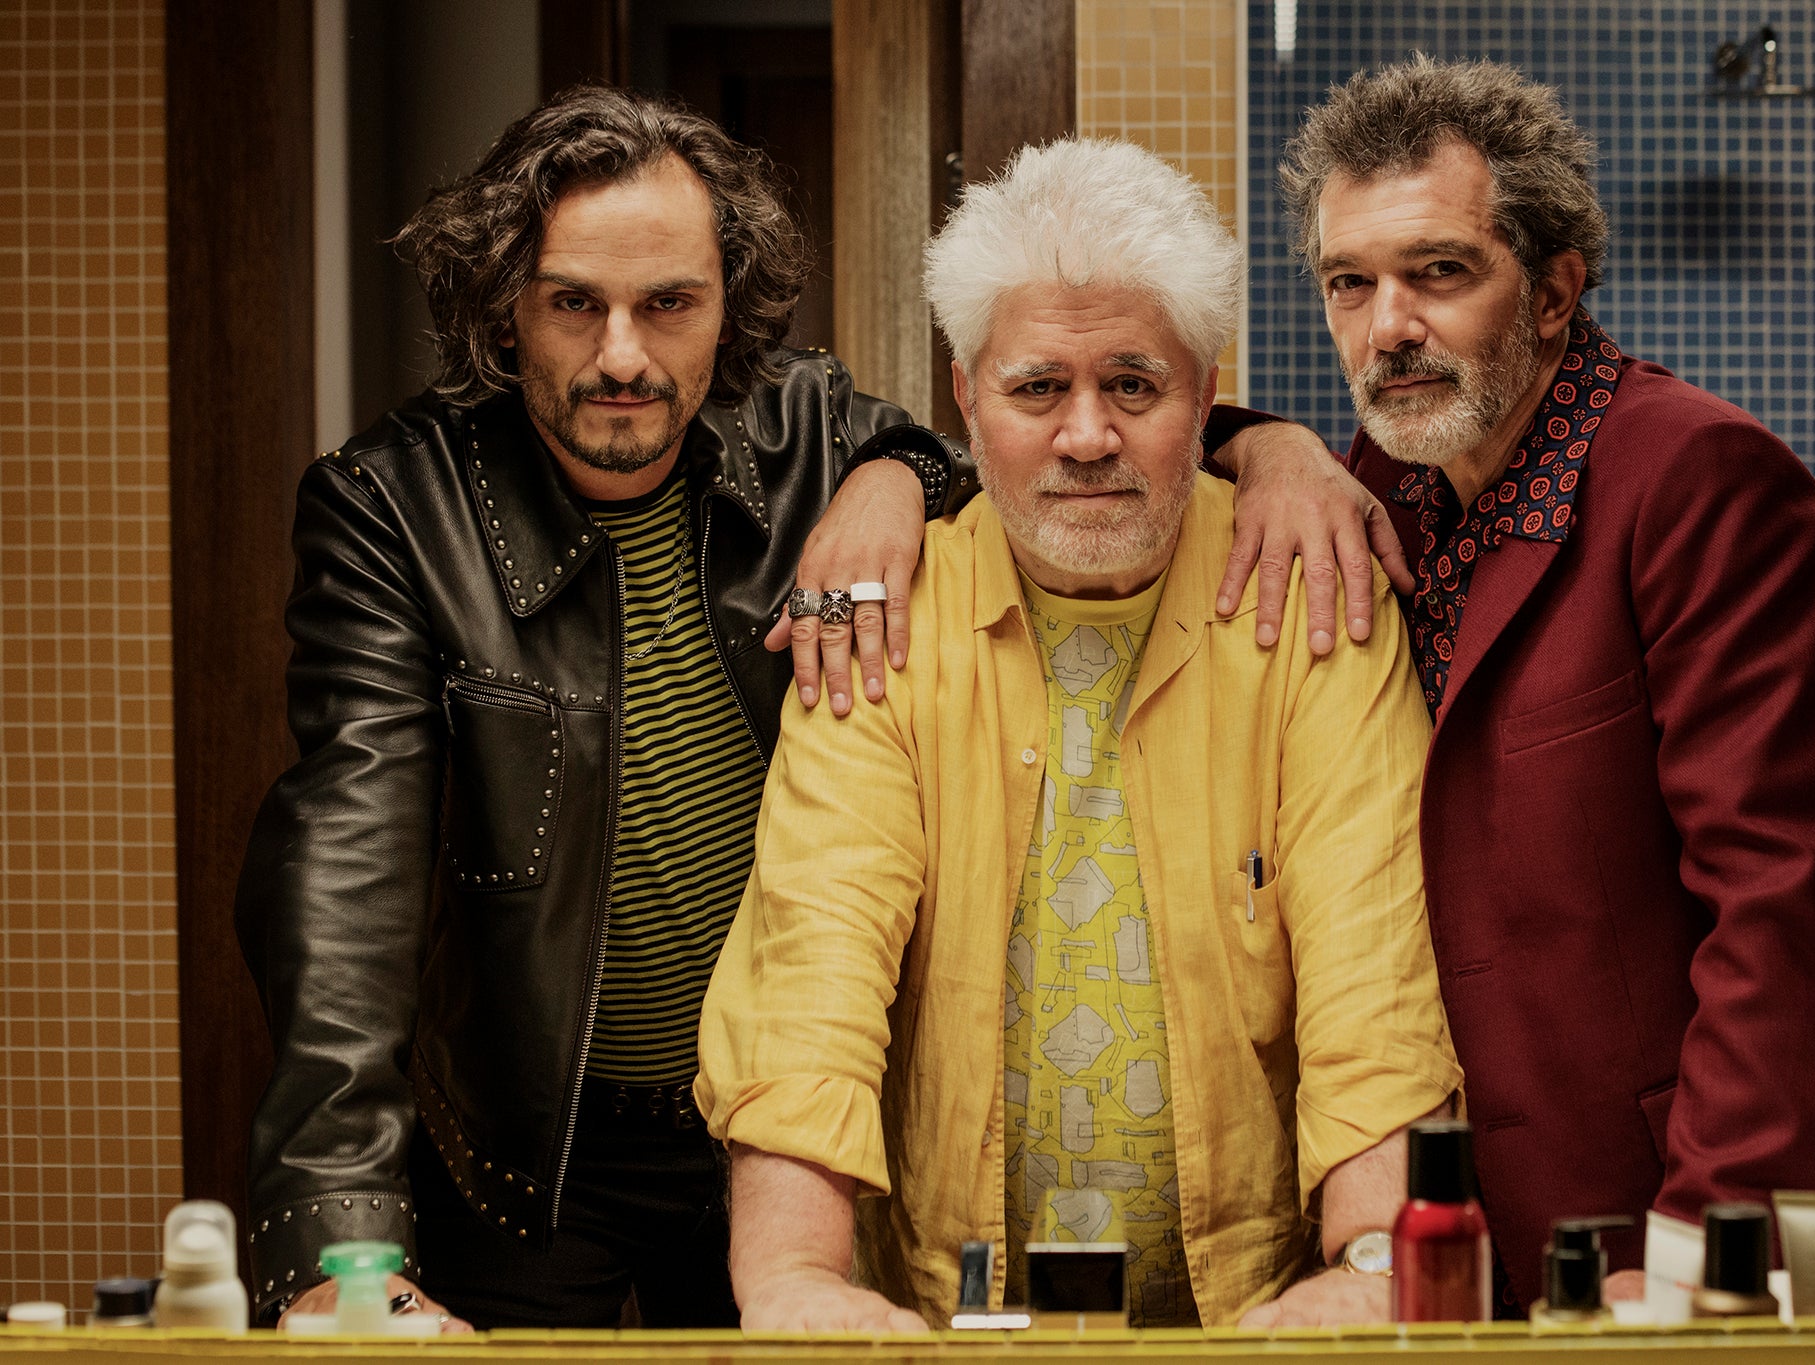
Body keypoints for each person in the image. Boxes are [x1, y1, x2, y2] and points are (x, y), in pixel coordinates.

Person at [234, 86, 1379, 1332]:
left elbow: (1051, 430)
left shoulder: (811, 438)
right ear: (502, 304)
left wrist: (1273, 450)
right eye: (572, 303)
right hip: (532, 1151)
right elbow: (344, 878)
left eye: (668, 303)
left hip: (783, 1138)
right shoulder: (395, 511)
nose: (621, 356)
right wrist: (336, 1246)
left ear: (727, 306)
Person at [694, 137, 1462, 1333]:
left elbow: (1379, 984)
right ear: (966, 398)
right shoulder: (880, 617)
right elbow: (811, 963)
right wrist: (793, 1277)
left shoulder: (1308, 599)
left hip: (1252, 1320)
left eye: (1135, 387)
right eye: (1037, 388)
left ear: (1205, 393)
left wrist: (1367, 1269)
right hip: (945, 1322)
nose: (1087, 435)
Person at [1277, 55, 1815, 1311]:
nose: (1386, 328)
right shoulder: (1384, 485)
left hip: (1657, 1228)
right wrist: (1257, 441)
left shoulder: (1699, 483)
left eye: (1439, 272)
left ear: (1552, 292)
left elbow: (1777, 919)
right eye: (1349, 283)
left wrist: (1698, 1252)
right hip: (1446, 1238)